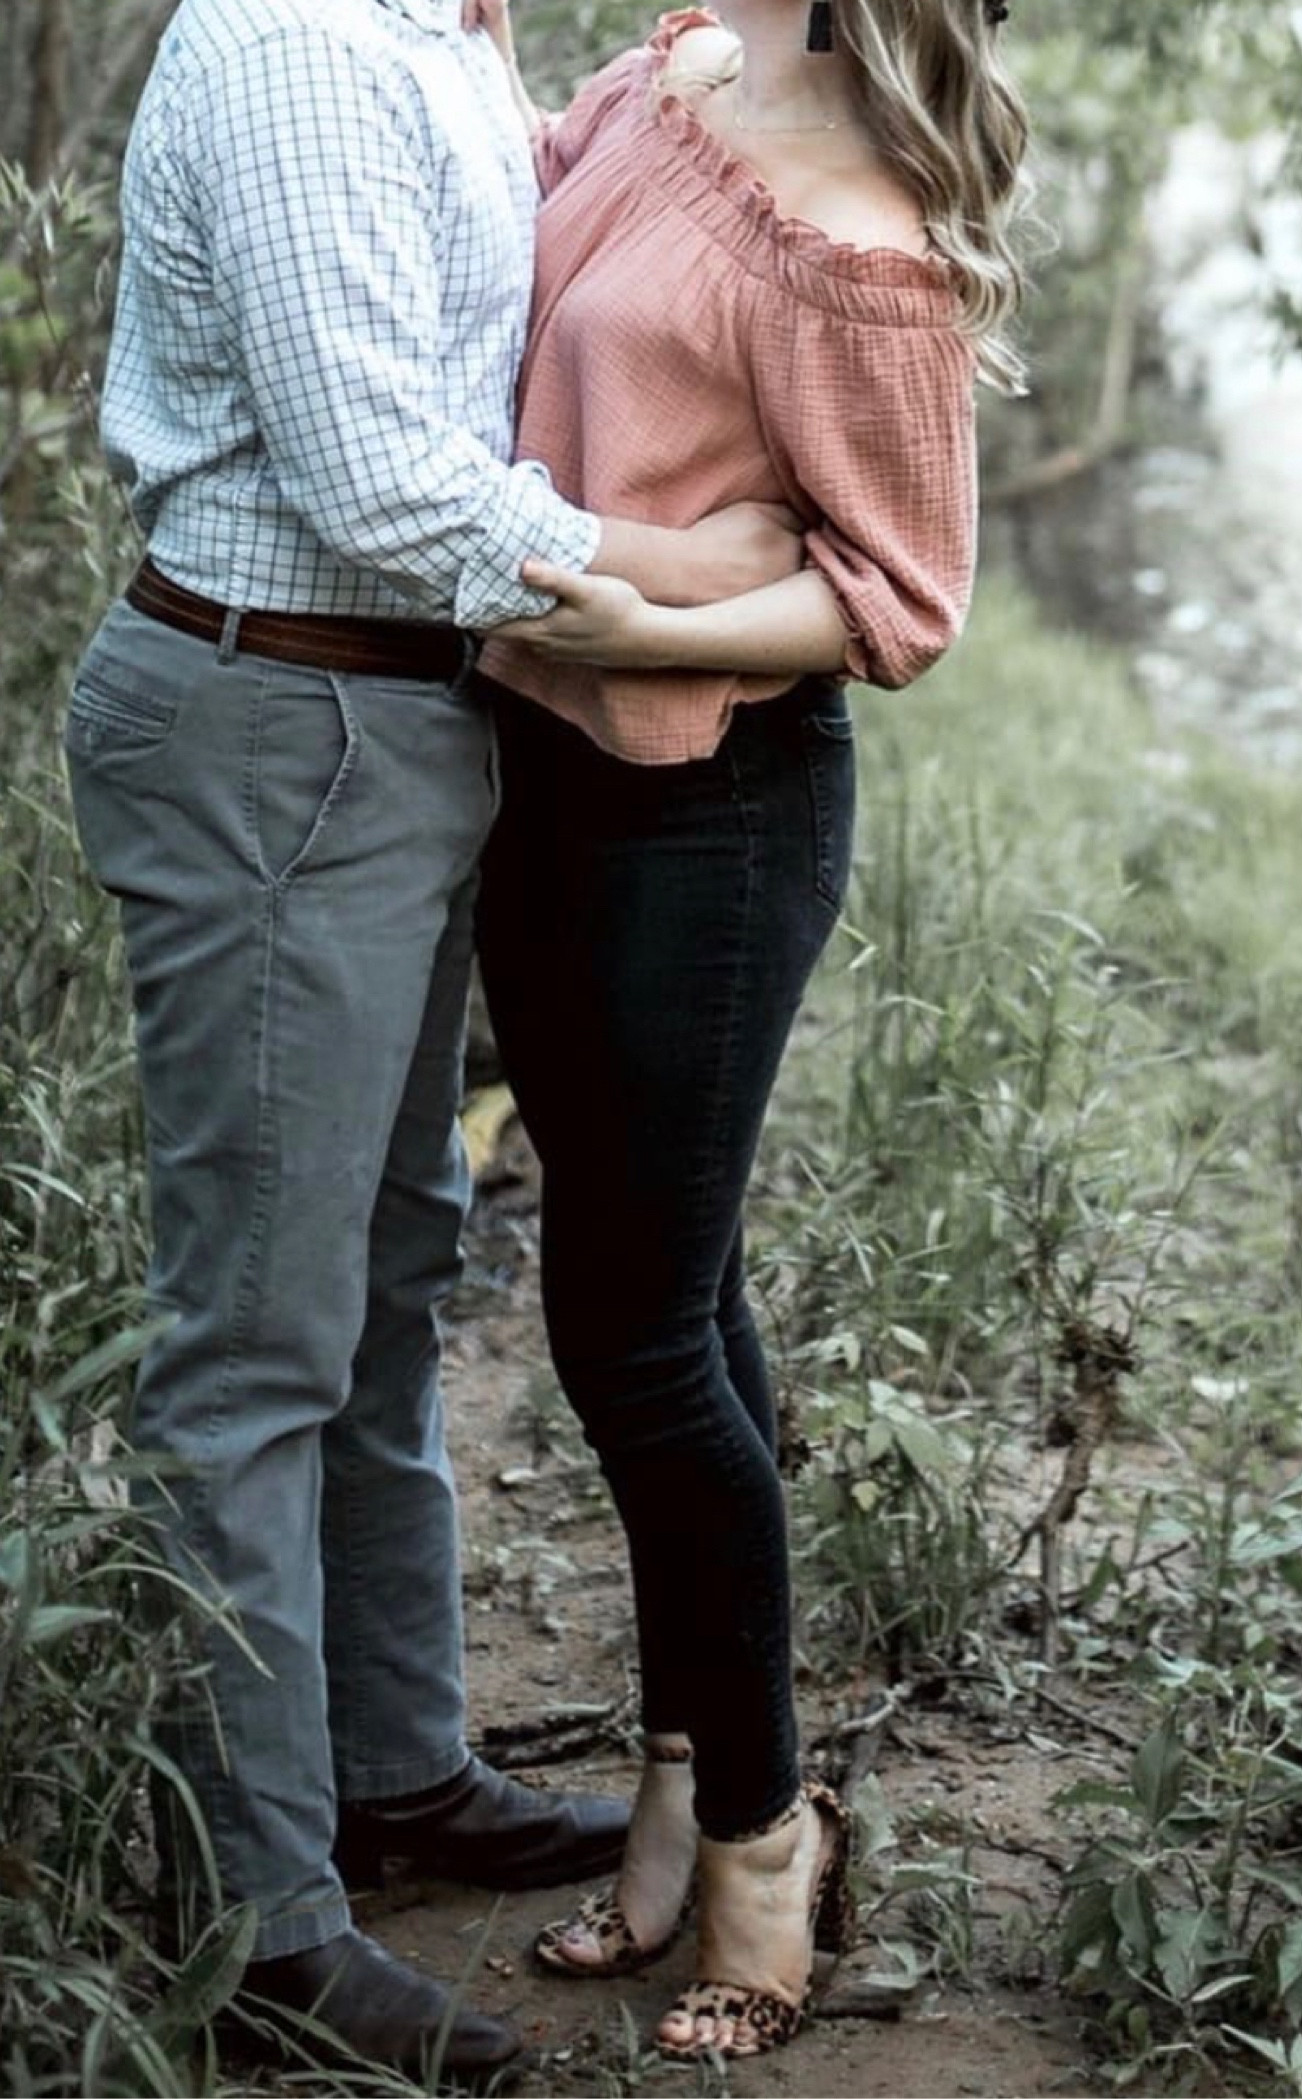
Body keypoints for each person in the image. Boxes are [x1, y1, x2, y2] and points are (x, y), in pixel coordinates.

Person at [62, 0, 803, 2081]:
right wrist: (694, 577)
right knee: (258, 1354)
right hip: (277, 717)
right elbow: (381, 477)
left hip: (384, 735)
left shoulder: (453, 38)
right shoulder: (305, 39)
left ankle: (390, 1775)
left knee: (383, 1289)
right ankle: (263, 1927)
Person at [470, 0, 1031, 2060]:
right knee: (663, 1310)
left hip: (701, 810)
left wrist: (665, 620)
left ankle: (765, 1830)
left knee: (631, 1330)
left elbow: (901, 600)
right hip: (535, 769)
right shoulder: (682, 63)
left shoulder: (859, 233)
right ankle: (682, 1781)